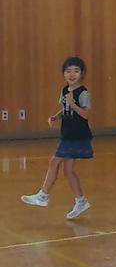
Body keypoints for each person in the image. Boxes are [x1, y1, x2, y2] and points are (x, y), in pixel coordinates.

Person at [21, 56, 93, 219]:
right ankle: (81, 201)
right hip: (67, 133)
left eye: (76, 71)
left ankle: (43, 195)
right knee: (68, 170)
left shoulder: (83, 93)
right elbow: (66, 109)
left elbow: (85, 114)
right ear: (63, 74)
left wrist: (73, 104)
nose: (72, 74)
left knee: (54, 162)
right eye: (68, 71)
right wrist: (56, 116)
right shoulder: (65, 90)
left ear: (82, 73)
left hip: (76, 136)